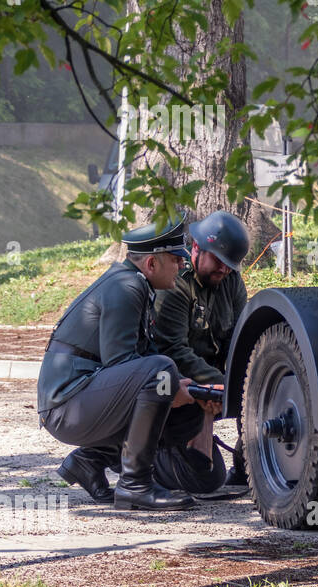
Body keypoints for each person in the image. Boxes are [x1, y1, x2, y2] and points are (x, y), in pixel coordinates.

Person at [37, 218, 203, 511]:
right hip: (66, 407)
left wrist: (180, 389)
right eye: (177, 260)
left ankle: (90, 461)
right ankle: (135, 486)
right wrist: (168, 384)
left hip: (82, 400)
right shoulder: (126, 286)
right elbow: (123, 363)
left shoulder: (135, 283)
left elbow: (141, 360)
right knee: (161, 372)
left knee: (187, 411)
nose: (182, 266)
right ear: (151, 263)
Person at [151, 210, 251, 491]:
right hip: (176, 389)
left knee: (255, 386)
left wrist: (242, 382)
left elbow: (239, 340)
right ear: (196, 248)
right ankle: (134, 455)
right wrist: (221, 385)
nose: (224, 270)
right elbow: (173, 350)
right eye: (218, 261)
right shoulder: (175, 283)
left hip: (210, 385)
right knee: (205, 480)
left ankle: (249, 467)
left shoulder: (230, 280)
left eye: (231, 265)